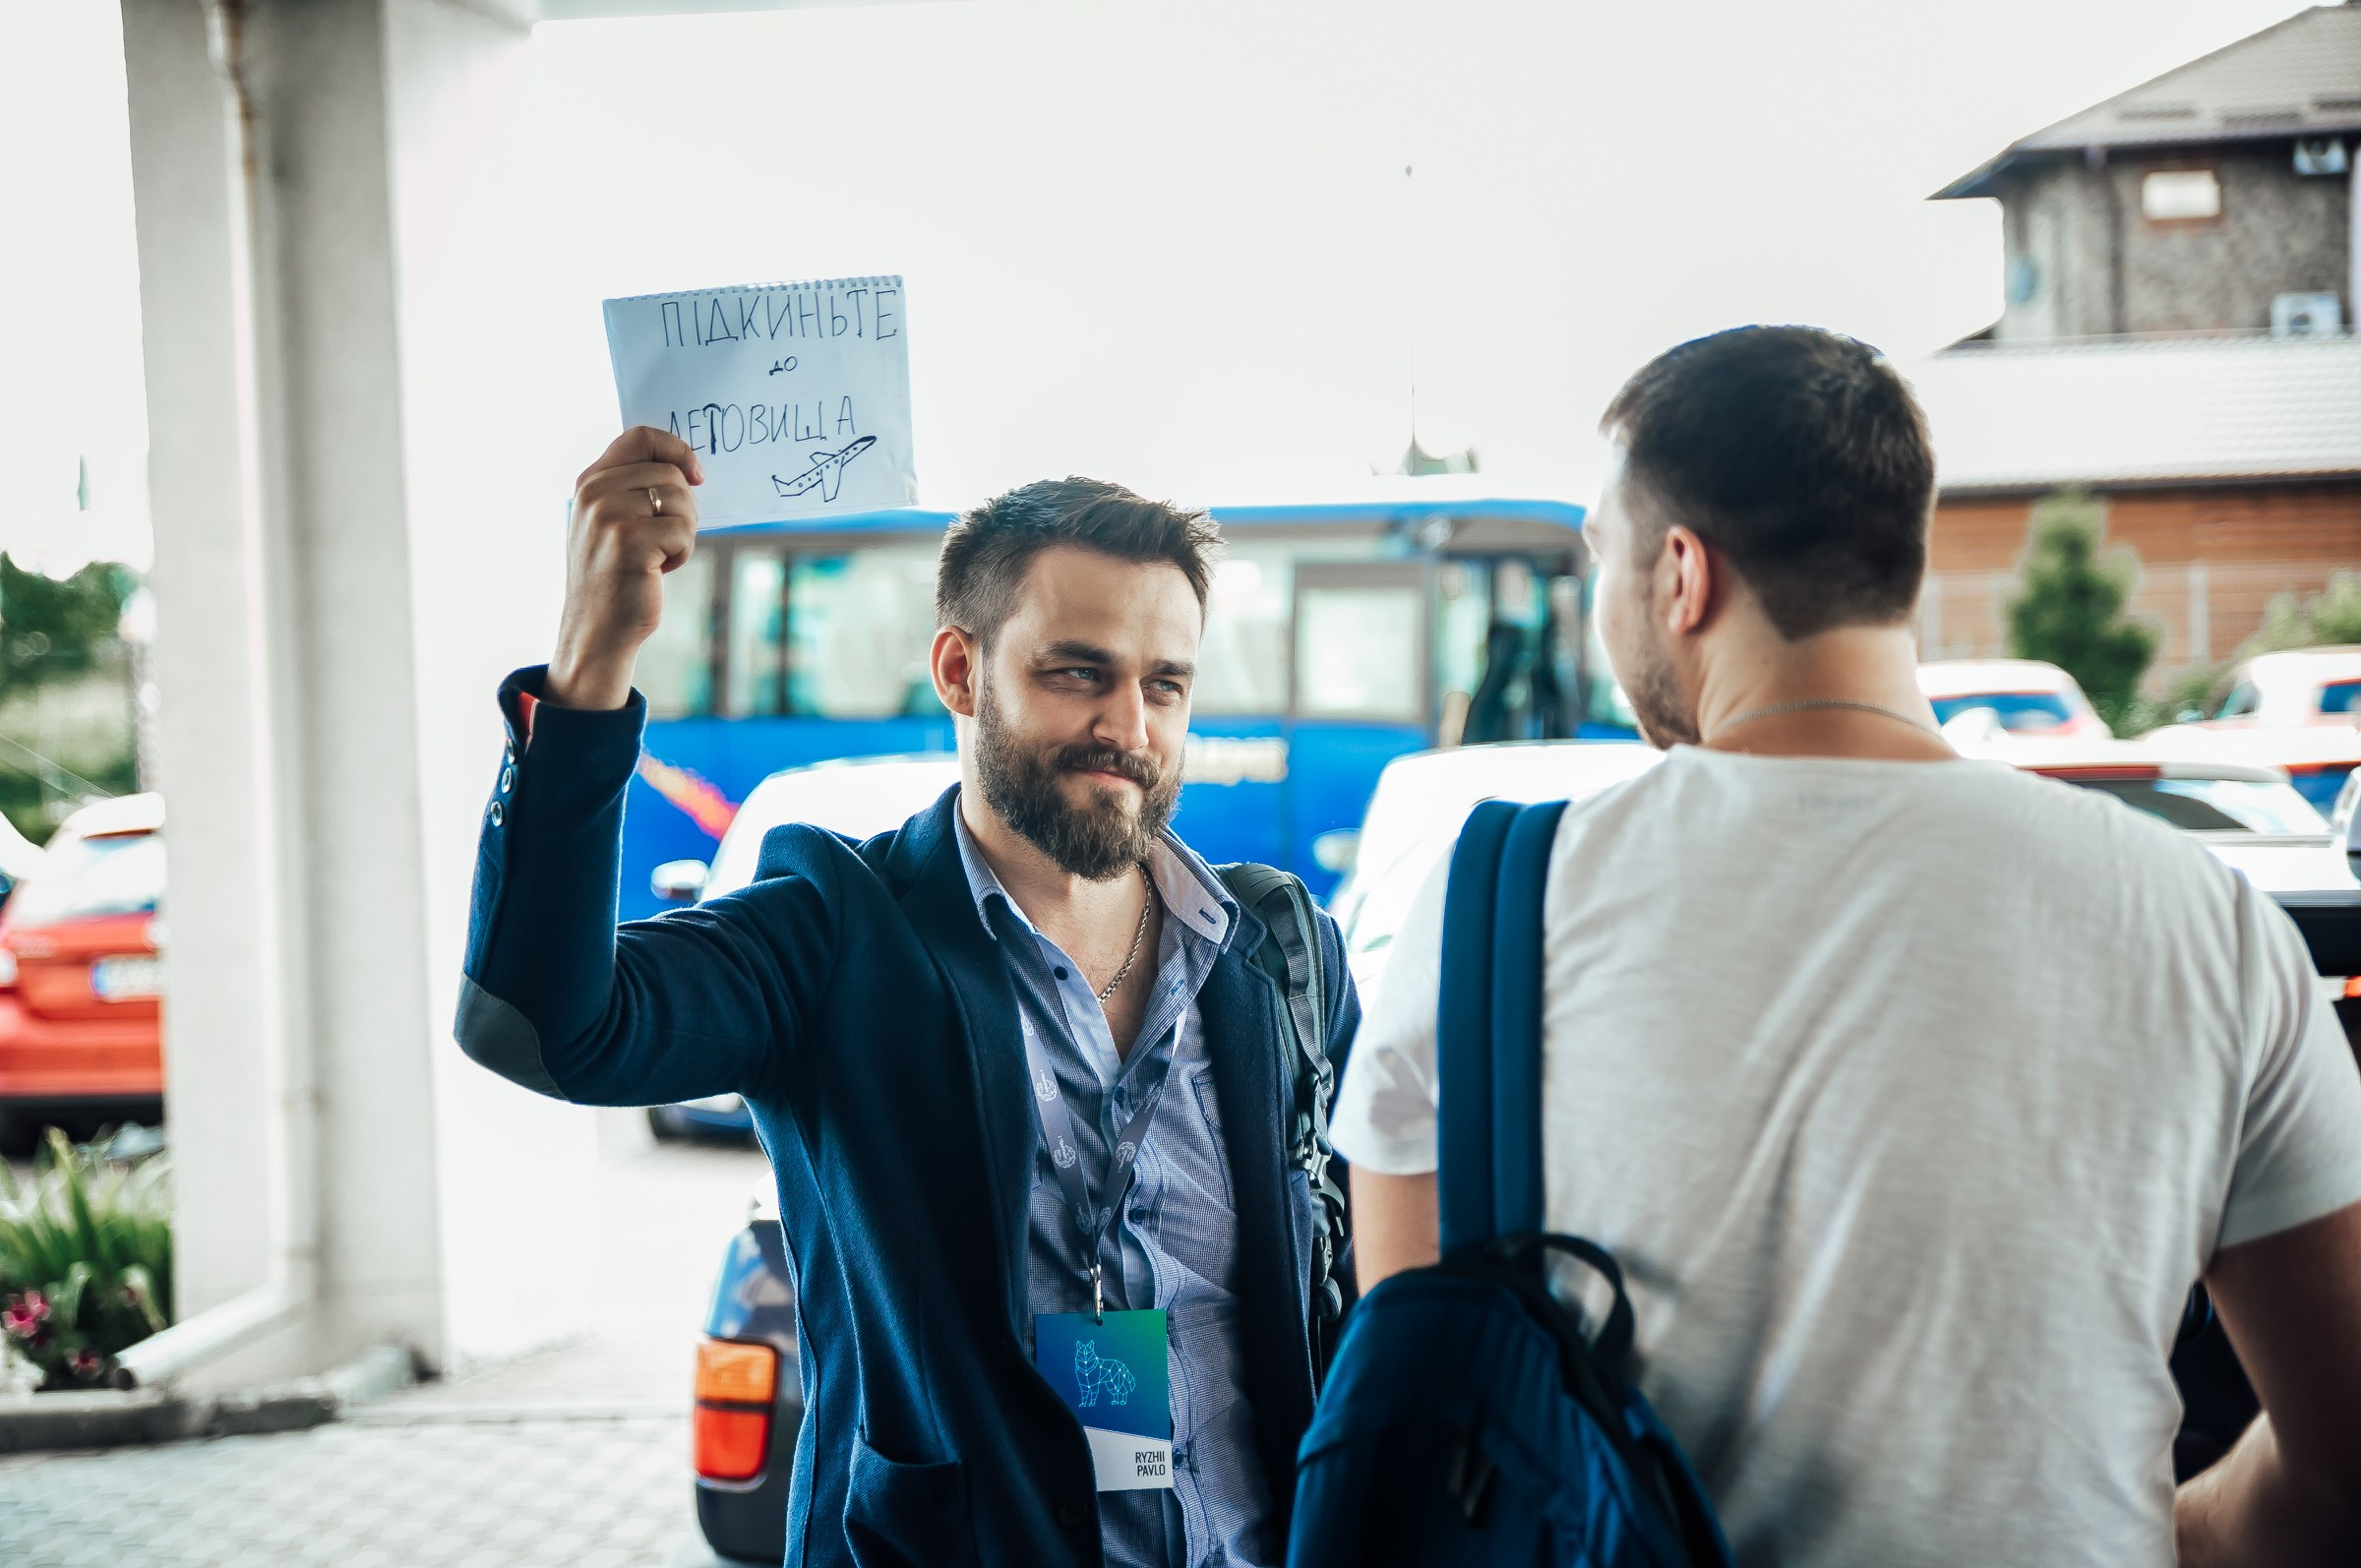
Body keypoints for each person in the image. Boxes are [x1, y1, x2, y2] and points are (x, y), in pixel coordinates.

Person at [1330, 326, 2361, 1567]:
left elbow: (1413, 1428)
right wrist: (2171, 1530)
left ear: (1679, 575)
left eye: (1600, 556)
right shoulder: (2205, 922)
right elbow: (2345, 1455)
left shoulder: (1492, 901)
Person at [455, 428, 1357, 1568]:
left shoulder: (1276, 949)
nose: (1129, 728)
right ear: (959, 671)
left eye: (1163, 684)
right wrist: (593, 664)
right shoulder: (834, 930)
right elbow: (541, 1025)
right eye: (1077, 671)